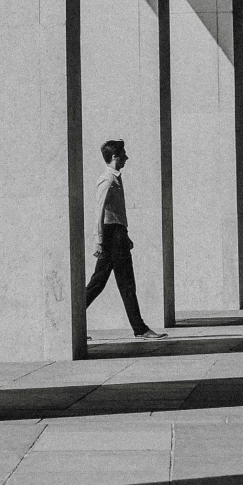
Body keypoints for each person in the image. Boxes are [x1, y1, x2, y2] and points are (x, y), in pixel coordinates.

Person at [84, 138, 163, 338]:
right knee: (123, 283)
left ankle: (73, 322)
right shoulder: (108, 179)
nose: (126, 157)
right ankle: (140, 329)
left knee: (99, 283)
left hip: (117, 235)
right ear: (114, 157)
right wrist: (98, 241)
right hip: (111, 236)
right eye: (123, 154)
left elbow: (116, 213)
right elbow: (98, 212)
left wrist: (125, 235)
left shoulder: (116, 178)